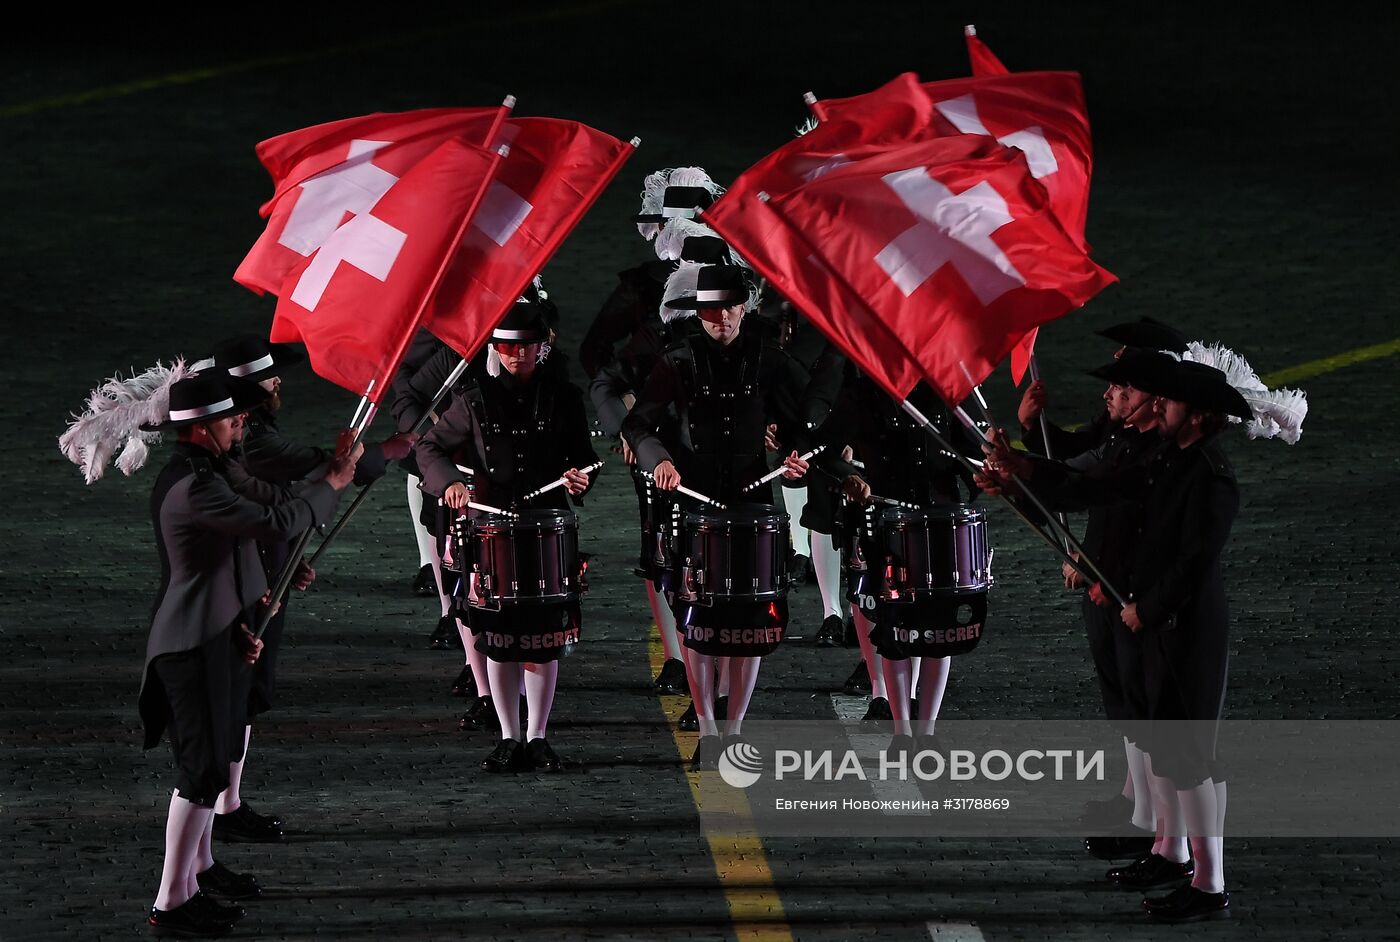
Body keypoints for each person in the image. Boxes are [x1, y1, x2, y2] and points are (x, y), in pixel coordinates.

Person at [979, 355, 1254, 923]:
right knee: (1171, 747)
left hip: (1186, 628)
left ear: (1197, 416)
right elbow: (1091, 487)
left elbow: (1193, 563)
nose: (1161, 406)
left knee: (1192, 757)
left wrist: (1143, 607)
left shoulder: (1209, 476)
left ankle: (1208, 883)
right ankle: (1179, 856)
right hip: (1158, 621)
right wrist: (1020, 475)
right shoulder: (1167, 460)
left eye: (1171, 401)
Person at [139, 372, 357, 937]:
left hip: (216, 631)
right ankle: (169, 902)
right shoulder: (196, 485)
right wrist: (331, 482)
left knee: (214, 759)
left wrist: (254, 603)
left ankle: (194, 879)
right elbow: (275, 520)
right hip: (189, 642)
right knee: (202, 769)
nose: (242, 421)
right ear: (201, 427)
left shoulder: (212, 470)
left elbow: (242, 543)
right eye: (230, 416)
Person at [207, 335, 411, 842]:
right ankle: (217, 809)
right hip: (243, 584)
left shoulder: (250, 431)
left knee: (249, 697)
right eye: (270, 375)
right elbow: (318, 476)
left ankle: (227, 802)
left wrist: (289, 553)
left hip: (264, 570)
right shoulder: (251, 439)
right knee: (238, 697)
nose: (279, 381)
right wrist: (391, 448)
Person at [622, 262, 811, 770]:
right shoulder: (676, 361)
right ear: (699, 312)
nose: (720, 317)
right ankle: (708, 728)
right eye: (709, 309)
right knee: (699, 624)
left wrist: (796, 458)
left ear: (744, 307)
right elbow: (639, 423)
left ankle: (735, 727)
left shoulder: (772, 361)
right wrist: (657, 458)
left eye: (729, 307)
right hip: (694, 505)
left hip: (752, 508)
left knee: (749, 622)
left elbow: (803, 425)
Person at [415, 300, 600, 773]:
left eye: (528, 346)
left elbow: (584, 456)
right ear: (496, 347)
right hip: (491, 530)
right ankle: (507, 735)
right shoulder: (474, 400)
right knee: (497, 636)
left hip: (546, 527)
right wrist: (449, 484)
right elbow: (429, 447)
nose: (518, 355)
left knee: (543, 637)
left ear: (542, 348)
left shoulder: (565, 397)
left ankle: (537, 735)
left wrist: (580, 477)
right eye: (509, 346)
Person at [589, 226, 737, 718]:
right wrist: (631, 434)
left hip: (726, 471)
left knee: (729, 579)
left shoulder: (744, 335)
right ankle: (683, 663)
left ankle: (715, 685)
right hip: (666, 465)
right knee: (669, 566)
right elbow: (608, 380)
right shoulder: (661, 332)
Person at [814, 368, 984, 740]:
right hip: (887, 525)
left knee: (941, 631)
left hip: (942, 522)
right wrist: (847, 476)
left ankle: (927, 731)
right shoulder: (861, 388)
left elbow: (972, 451)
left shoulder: (949, 384)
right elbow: (825, 450)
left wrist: (981, 473)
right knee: (894, 629)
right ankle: (902, 730)